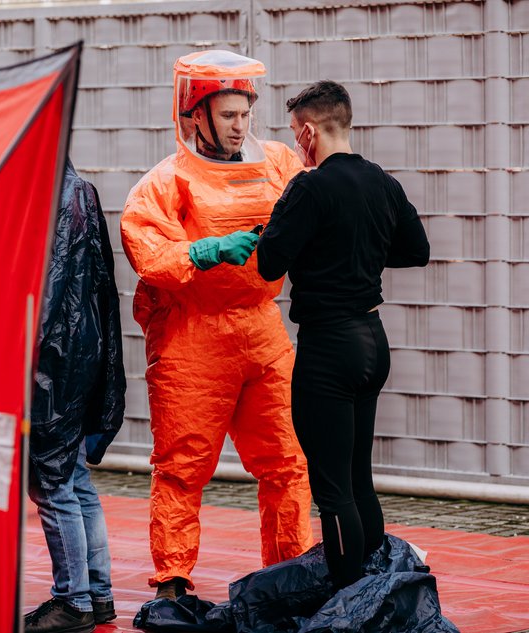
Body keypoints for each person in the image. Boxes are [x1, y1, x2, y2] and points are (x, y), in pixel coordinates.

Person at [120, 49, 314, 600]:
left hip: (262, 329)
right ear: (196, 115)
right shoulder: (166, 181)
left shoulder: (278, 163)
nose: (239, 126)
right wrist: (204, 251)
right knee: (182, 467)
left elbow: (317, 205)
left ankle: (291, 575)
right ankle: (173, 582)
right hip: (192, 337)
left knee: (287, 461)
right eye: (228, 115)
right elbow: (148, 252)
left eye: (245, 114)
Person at [256, 80, 430, 590]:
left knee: (332, 491)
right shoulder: (382, 182)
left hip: (329, 348)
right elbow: (416, 250)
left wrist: (286, 231)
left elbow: (269, 263)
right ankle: (374, 591)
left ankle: (349, 601)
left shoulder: (308, 188)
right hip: (372, 341)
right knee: (358, 479)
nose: (295, 144)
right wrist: (361, 249)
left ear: (309, 132)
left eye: (295, 133)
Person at [24, 159, 127, 633]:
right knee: (74, 478)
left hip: (52, 361)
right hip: (82, 352)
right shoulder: (80, 188)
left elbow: (46, 292)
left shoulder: (45, 196)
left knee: (50, 483)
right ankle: (98, 594)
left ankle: (73, 600)